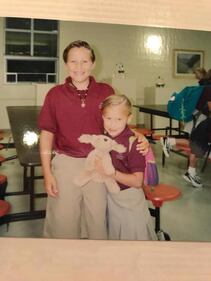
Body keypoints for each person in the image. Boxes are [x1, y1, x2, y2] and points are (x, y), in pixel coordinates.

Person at [38, 40, 149, 239]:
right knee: (63, 222)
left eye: (84, 61)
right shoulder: (54, 95)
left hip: (100, 163)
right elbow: (46, 135)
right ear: (66, 64)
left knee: (97, 220)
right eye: (73, 62)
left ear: (93, 63)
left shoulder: (106, 91)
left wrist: (138, 136)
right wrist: (47, 173)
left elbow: (118, 121)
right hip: (66, 163)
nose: (79, 67)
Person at [95, 94, 157, 240]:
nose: (112, 124)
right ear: (102, 117)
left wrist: (110, 172)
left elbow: (137, 182)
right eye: (108, 118)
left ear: (129, 118)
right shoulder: (106, 137)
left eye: (119, 119)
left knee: (134, 242)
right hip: (112, 197)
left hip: (130, 201)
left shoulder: (134, 144)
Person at [161, 85, 211, 188]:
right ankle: (190, 172)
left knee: (197, 144)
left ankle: (190, 172)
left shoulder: (206, 87)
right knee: (197, 144)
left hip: (201, 119)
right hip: (200, 119)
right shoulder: (209, 89)